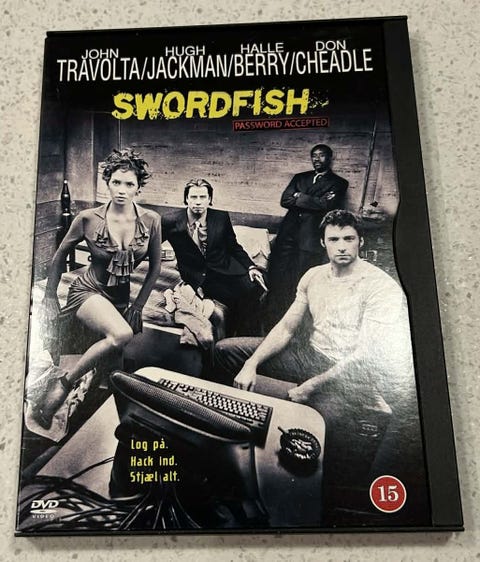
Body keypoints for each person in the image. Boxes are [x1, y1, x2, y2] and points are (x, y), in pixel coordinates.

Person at [33, 148, 162, 429]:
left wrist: (139, 305)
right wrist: (50, 296)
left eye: (129, 184)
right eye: (116, 182)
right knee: (122, 334)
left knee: (112, 377)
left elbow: (155, 266)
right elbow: (59, 255)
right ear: (107, 183)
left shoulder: (152, 220)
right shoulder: (87, 218)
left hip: (120, 300)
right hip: (88, 291)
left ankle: (93, 428)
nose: (122, 190)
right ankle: (63, 383)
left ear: (138, 187)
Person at [162, 178, 266, 333]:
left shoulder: (221, 217)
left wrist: (251, 267)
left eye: (202, 197)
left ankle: (249, 338)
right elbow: (151, 244)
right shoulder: (170, 220)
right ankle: (233, 337)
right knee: (233, 300)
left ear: (209, 199)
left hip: (227, 267)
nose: (198, 202)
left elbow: (234, 247)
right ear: (186, 199)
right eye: (193, 197)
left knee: (254, 289)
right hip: (199, 276)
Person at [266, 144, 348, 326]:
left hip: (309, 239)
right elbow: (285, 200)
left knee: (301, 281)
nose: (317, 159)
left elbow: (326, 206)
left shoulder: (339, 183)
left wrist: (299, 196)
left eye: (321, 155)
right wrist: (315, 200)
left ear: (330, 158)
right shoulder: (300, 177)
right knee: (278, 278)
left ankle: (295, 324)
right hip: (287, 235)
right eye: (314, 156)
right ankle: (272, 321)